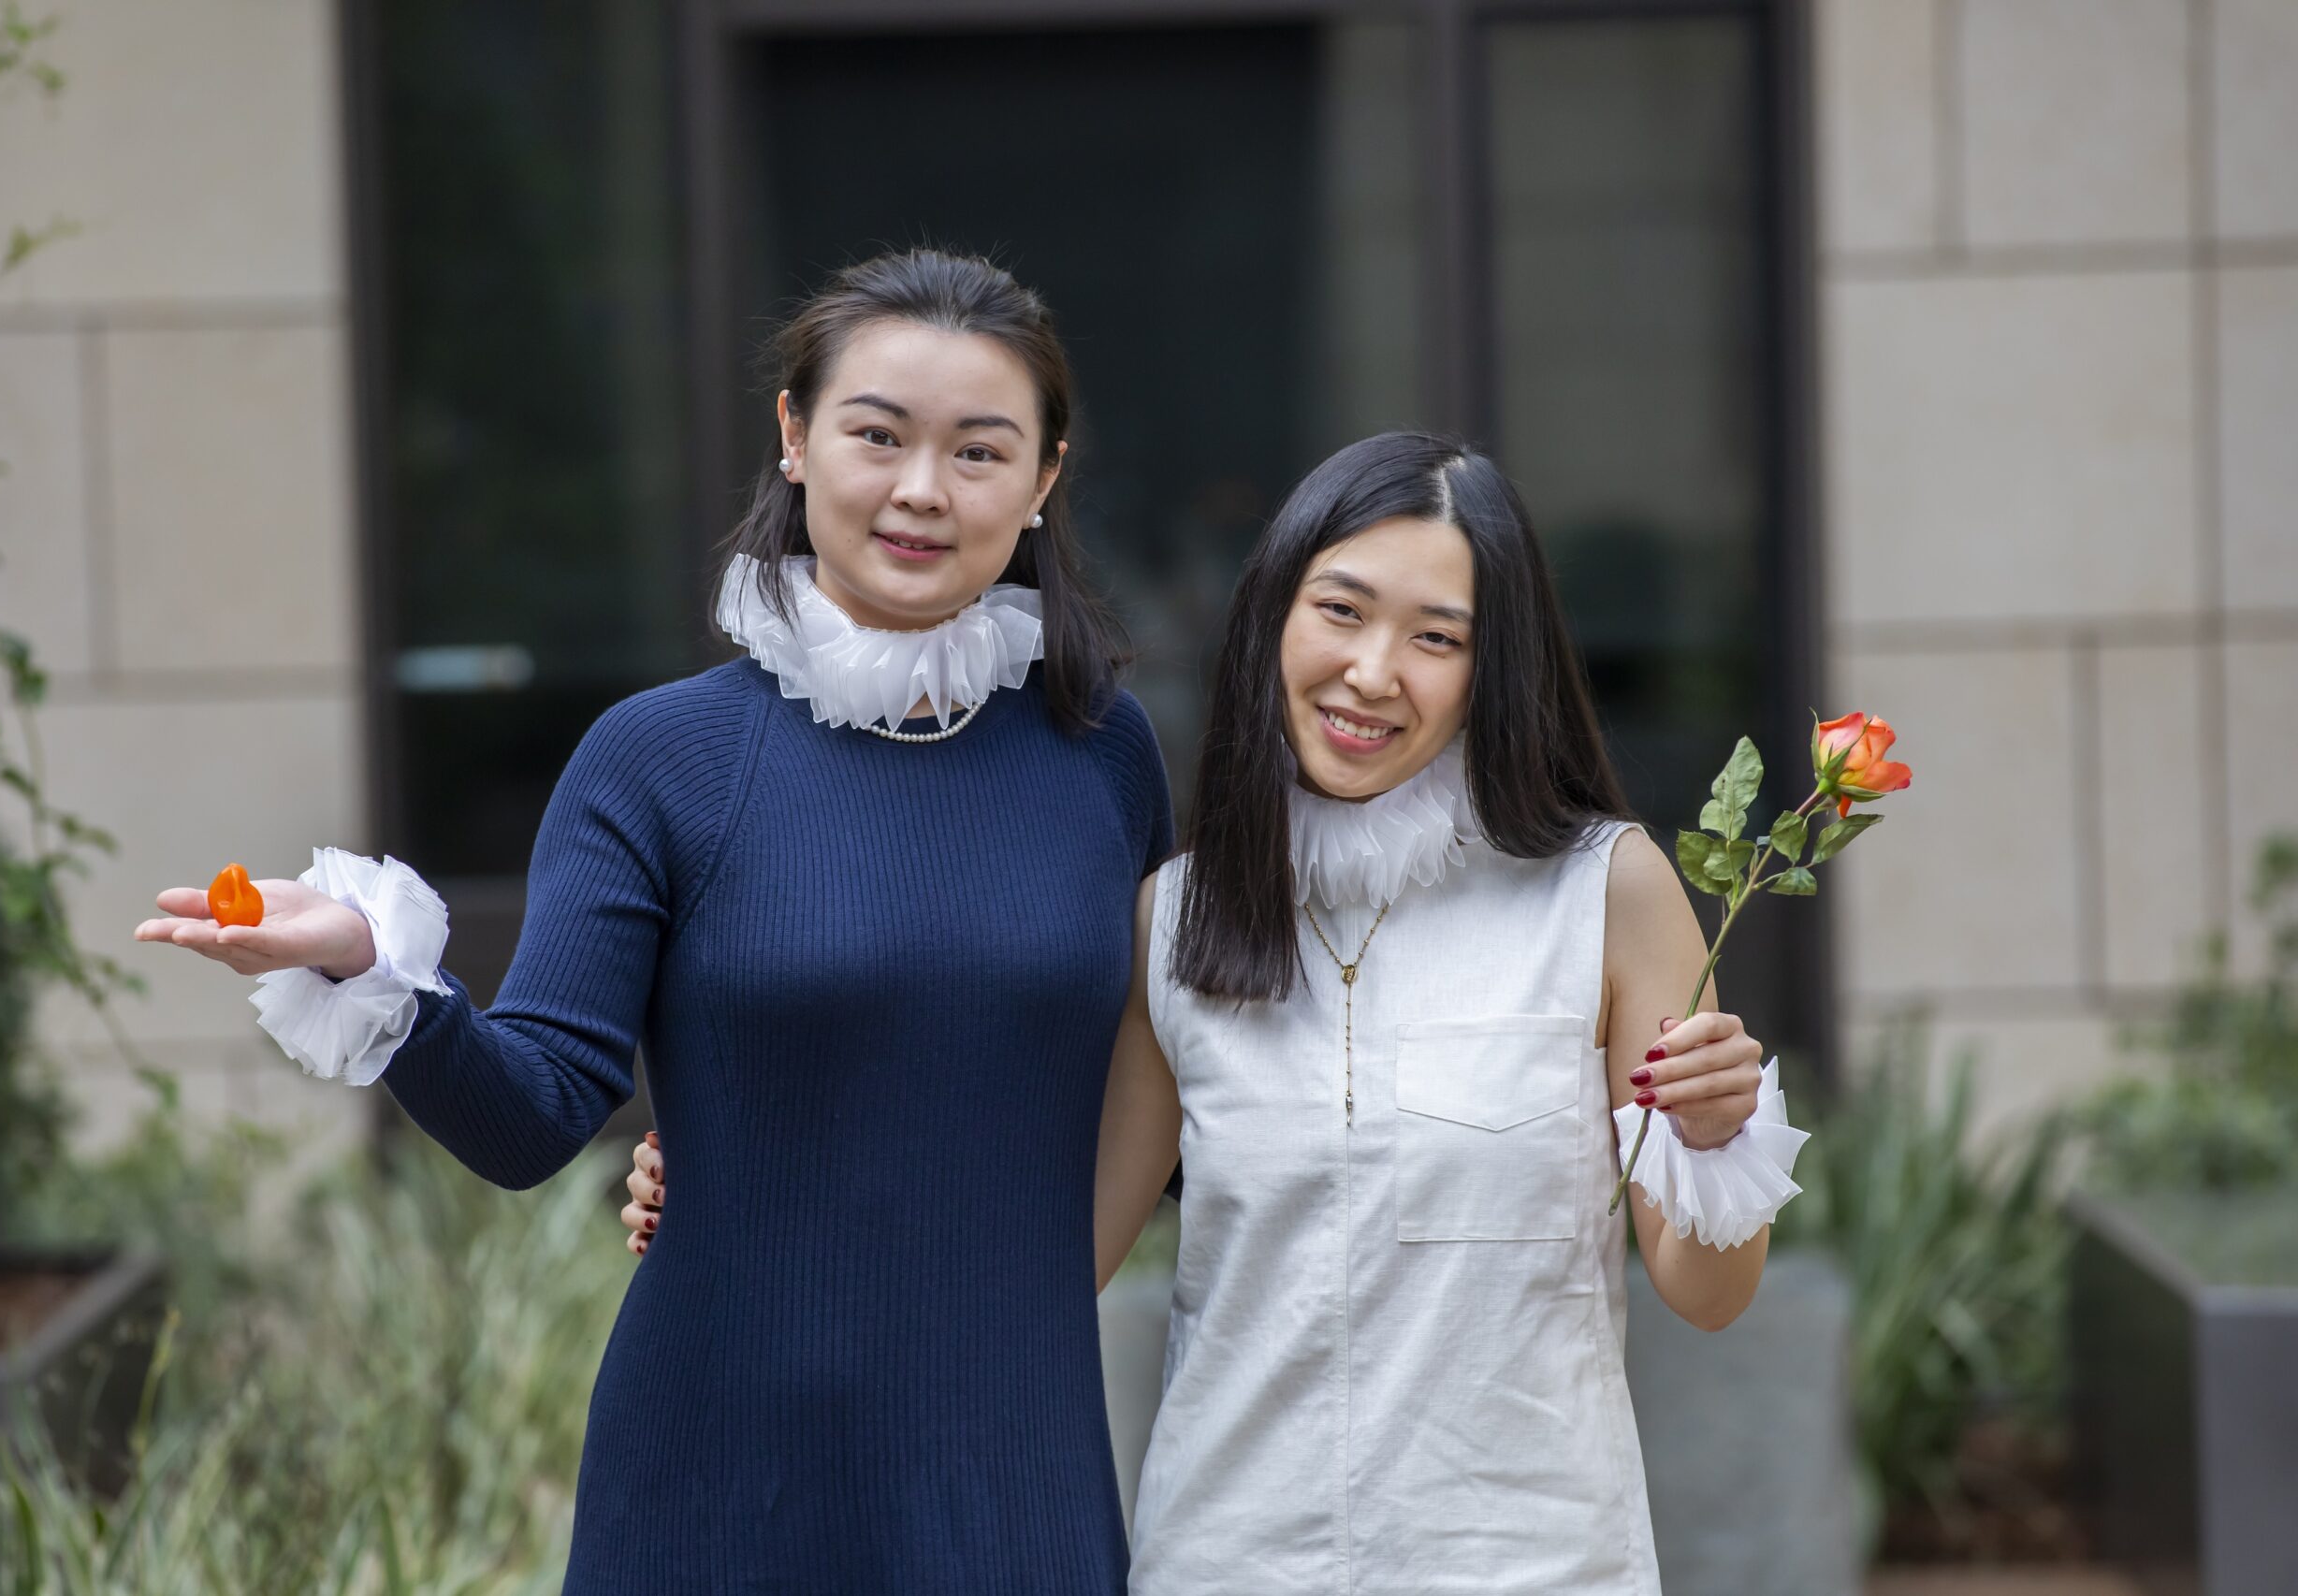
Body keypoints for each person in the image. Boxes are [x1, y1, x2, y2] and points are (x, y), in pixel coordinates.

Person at [135, 250, 1175, 1594]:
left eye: (979, 451)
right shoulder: (658, 759)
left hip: (1013, 1468)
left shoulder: (1103, 756)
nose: (923, 489)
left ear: (1041, 480)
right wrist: (372, 964)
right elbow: (532, 1115)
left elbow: (1155, 1088)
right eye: (877, 434)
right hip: (720, 1471)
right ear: (795, 435)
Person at [623, 431, 1806, 1594]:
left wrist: (1717, 1133)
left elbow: (1707, 1295)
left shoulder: (1604, 891)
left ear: (1495, 669)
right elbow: (1027, 1267)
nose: (1372, 671)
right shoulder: (1176, 920)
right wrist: (754, 1184)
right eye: (1339, 610)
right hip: (1228, 1556)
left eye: (1436, 636)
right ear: (1271, 616)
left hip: (1530, 1563)